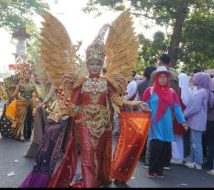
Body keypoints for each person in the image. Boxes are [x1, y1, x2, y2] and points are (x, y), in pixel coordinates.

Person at [21, 10, 150, 188]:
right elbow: (72, 104)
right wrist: (66, 113)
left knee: (99, 156)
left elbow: (117, 100)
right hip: (84, 125)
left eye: (98, 64)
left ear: (102, 64)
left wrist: (136, 103)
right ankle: (91, 185)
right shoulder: (79, 83)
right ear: (87, 64)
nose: (95, 67)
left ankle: (97, 180)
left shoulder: (109, 83)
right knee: (88, 157)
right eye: (91, 64)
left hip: (103, 125)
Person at [142, 66, 187, 178]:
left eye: (164, 77)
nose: (162, 79)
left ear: (167, 79)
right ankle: (152, 170)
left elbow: (177, 108)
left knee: (164, 149)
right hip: (154, 124)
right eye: (160, 77)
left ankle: (159, 171)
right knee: (156, 147)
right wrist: (145, 108)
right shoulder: (150, 90)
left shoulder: (172, 92)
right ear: (156, 78)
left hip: (167, 125)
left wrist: (182, 121)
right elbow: (142, 103)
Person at [184, 72, 213, 170]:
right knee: (195, 141)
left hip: (197, 121)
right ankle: (193, 160)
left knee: (196, 142)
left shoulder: (201, 92)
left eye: (195, 78)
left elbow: (195, 107)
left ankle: (197, 162)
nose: (193, 79)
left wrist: (185, 114)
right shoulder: (204, 90)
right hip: (197, 120)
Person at [7, 68, 43, 141]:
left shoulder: (32, 84)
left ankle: (27, 135)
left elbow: (38, 95)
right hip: (21, 103)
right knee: (20, 120)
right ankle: (19, 134)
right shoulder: (20, 83)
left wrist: (44, 100)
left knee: (29, 120)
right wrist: (9, 99)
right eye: (25, 73)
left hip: (30, 104)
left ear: (30, 75)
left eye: (28, 73)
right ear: (23, 75)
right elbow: (15, 92)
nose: (27, 75)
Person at [137, 66, 156, 166]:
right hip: (153, 113)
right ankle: (147, 158)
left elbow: (139, 99)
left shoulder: (141, 85)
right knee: (150, 136)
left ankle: (141, 155)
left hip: (143, 111)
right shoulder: (155, 87)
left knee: (143, 135)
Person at [171, 73, 191, 165]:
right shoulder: (189, 91)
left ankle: (176, 156)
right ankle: (181, 156)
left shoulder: (177, 91)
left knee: (173, 137)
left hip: (176, 117)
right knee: (180, 137)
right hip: (184, 117)